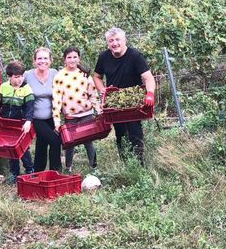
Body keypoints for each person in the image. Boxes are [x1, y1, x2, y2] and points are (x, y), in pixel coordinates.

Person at [93, 27, 155, 164]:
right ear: (108, 43)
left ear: (125, 40)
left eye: (117, 40)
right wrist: (102, 89)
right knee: (120, 135)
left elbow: (148, 78)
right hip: (115, 103)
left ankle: (139, 166)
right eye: (111, 41)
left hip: (133, 102)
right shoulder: (104, 57)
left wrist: (150, 94)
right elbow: (97, 77)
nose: (114, 43)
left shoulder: (135, 56)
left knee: (135, 133)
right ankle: (127, 166)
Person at [0, 60, 34, 184]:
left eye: (21, 76)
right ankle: (14, 173)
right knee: (10, 149)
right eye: (16, 77)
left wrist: (28, 121)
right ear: (9, 76)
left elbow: (30, 108)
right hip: (6, 123)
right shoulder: (4, 87)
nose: (19, 80)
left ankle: (30, 170)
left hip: (20, 124)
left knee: (23, 149)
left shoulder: (27, 89)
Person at [52, 46, 100, 173]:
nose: (72, 60)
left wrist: (99, 110)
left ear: (79, 58)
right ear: (64, 59)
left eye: (75, 57)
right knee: (70, 142)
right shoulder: (60, 76)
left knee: (88, 141)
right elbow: (56, 99)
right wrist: (57, 120)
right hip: (70, 116)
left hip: (86, 114)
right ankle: (68, 167)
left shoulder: (84, 74)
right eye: (69, 57)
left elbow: (93, 94)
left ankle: (94, 166)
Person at [25, 47, 62, 172]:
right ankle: (55, 171)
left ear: (50, 60)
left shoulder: (54, 73)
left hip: (53, 116)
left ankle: (39, 171)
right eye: (39, 58)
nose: (42, 61)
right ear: (34, 61)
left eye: (45, 58)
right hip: (36, 118)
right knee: (55, 141)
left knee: (42, 143)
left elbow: (65, 89)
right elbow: (14, 85)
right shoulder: (28, 75)